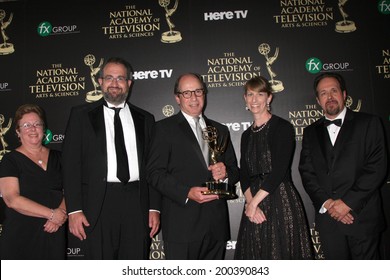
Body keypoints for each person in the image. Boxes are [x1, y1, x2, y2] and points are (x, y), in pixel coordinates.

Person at [62, 57, 160, 259]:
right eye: (109, 78)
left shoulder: (146, 119)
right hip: (97, 205)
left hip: (137, 204)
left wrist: (154, 207)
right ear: (100, 82)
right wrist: (74, 210)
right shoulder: (80, 115)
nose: (114, 83)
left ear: (129, 84)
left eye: (120, 78)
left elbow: (154, 168)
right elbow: (71, 166)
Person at [147, 73, 239, 259]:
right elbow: (154, 173)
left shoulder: (220, 130)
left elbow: (235, 172)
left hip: (216, 226)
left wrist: (226, 172)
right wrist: (186, 192)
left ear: (204, 94)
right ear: (177, 98)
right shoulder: (163, 129)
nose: (194, 98)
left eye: (198, 91)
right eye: (187, 93)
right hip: (182, 226)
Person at [299, 72, 388, 259]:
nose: (329, 97)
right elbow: (307, 172)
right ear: (317, 100)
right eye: (323, 93)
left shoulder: (369, 123)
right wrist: (329, 204)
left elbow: (377, 167)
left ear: (344, 94)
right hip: (329, 221)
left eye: (334, 90)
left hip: (362, 217)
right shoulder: (310, 132)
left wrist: (347, 203)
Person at [234, 76, 314, 260]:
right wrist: (250, 204)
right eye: (250, 94)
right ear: (245, 98)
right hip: (253, 202)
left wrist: (253, 204)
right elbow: (244, 174)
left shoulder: (282, 127)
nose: (255, 100)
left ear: (269, 98)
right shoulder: (246, 135)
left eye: (260, 94)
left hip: (279, 198)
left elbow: (279, 171)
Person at [0, 104, 67, 259]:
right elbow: (12, 199)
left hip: (53, 231)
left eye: (37, 124)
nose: (32, 128)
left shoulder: (59, 157)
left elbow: (71, 190)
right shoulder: (10, 160)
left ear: (43, 129)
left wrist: (60, 215)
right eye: (26, 125)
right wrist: (51, 214)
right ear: (18, 132)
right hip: (21, 234)